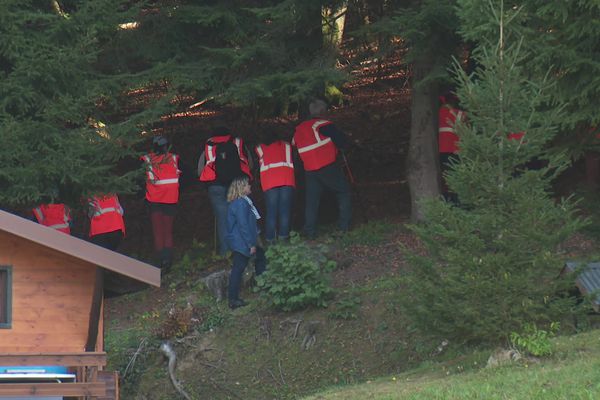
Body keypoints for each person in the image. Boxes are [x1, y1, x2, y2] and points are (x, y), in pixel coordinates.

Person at [292, 99, 351, 238]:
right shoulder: (323, 125)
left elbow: (294, 143)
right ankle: (344, 227)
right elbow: (342, 141)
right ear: (323, 112)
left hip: (310, 169)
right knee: (344, 191)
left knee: (312, 200)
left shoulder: (299, 128)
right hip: (327, 165)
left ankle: (309, 231)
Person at [198, 126, 252, 256]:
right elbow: (250, 163)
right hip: (237, 183)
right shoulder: (238, 142)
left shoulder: (208, 146)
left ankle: (225, 252)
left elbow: (200, 169)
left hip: (215, 185)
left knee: (223, 219)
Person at [226, 176, 266, 309]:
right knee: (238, 268)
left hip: (242, 240)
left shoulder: (242, 202)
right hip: (242, 242)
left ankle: (262, 285)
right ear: (241, 188)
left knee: (260, 258)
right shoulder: (241, 203)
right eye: (247, 185)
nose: (250, 187)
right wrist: (251, 244)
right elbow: (243, 225)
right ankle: (233, 299)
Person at [141, 136, 181, 271]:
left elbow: (140, 180)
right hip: (170, 200)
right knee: (168, 232)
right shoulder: (174, 158)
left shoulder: (147, 160)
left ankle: (159, 262)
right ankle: (168, 262)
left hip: (154, 201)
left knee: (158, 232)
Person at [255, 128, 295, 244]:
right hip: (287, 180)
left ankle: (270, 239)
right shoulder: (287, 146)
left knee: (271, 212)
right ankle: (284, 238)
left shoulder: (259, 148)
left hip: (269, 182)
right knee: (285, 211)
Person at [438, 93, 466, 203]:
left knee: (446, 174)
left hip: (443, 149)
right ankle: (456, 199)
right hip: (456, 149)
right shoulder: (461, 114)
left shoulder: (440, 112)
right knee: (456, 174)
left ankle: (447, 198)